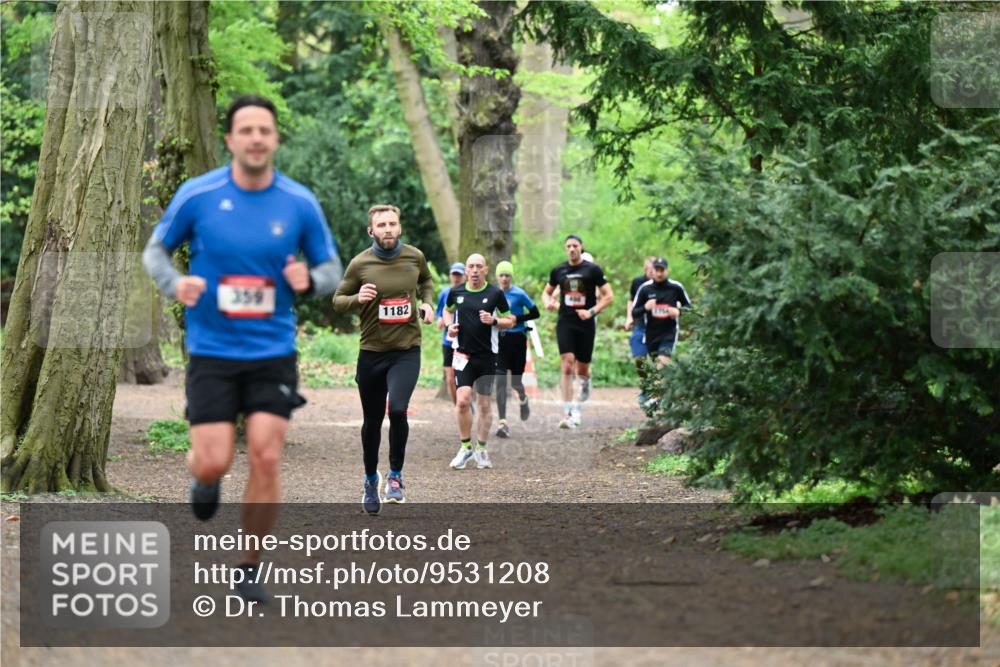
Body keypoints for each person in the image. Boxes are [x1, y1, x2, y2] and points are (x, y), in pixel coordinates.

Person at [142, 95, 342, 603]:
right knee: (213, 460)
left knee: (266, 456)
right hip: (211, 349)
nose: (256, 138)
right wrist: (174, 283)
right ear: (230, 139)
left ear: (275, 140)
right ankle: (204, 480)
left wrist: (309, 278)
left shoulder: (298, 202)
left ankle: (249, 567)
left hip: (271, 349)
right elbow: (156, 249)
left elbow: (332, 271)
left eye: (265, 130)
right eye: (246, 130)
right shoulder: (198, 193)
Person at [333, 204, 435, 514]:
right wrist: (356, 299)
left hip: (406, 350)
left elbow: (426, 282)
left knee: (400, 410)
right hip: (372, 353)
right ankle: (369, 478)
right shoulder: (359, 264)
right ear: (371, 231)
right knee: (372, 422)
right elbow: (338, 301)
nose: (388, 229)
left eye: (392, 223)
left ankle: (396, 476)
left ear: (399, 228)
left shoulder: (414, 257)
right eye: (382, 225)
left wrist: (428, 304)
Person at [444, 254, 515, 469]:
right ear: (466, 270)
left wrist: (494, 320)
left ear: (485, 270)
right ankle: (466, 447)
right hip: (462, 356)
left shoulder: (495, 293)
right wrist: (450, 326)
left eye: (478, 267)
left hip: (486, 357)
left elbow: (510, 321)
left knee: (484, 404)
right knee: (463, 400)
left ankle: (481, 449)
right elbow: (447, 313)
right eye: (471, 266)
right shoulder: (456, 292)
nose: (474, 270)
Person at [542, 235, 613, 429]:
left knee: (582, 370)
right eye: (568, 246)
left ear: (581, 247)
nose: (572, 249)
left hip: (586, 324)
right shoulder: (559, 270)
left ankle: (585, 383)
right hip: (565, 321)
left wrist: (591, 312)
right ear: (565, 249)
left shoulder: (592, 270)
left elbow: (609, 296)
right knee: (567, 364)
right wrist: (548, 302)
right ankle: (568, 412)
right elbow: (546, 292)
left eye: (575, 246)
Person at [493, 260, 540, 438]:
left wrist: (517, 318)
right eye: (501, 275)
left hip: (517, 341)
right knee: (500, 380)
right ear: (497, 277)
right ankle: (502, 422)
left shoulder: (519, 294)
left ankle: (523, 398)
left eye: (507, 275)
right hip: (500, 341)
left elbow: (535, 312)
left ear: (511, 277)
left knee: (515, 382)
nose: (504, 278)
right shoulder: (493, 294)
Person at [632, 257, 691, 370]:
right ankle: (664, 386)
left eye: (662, 270)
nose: (659, 274)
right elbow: (634, 313)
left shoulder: (676, 287)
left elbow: (689, 308)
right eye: (656, 270)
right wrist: (645, 307)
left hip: (669, 333)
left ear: (667, 271)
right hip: (651, 334)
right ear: (652, 270)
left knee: (661, 366)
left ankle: (659, 385)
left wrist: (678, 311)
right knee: (657, 371)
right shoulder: (645, 289)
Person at [626, 257, 656, 404]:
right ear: (645, 269)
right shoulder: (638, 282)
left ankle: (658, 392)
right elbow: (631, 300)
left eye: (655, 268)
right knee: (639, 357)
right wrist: (628, 318)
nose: (652, 271)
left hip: (659, 326)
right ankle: (646, 386)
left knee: (659, 360)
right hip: (640, 323)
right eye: (650, 269)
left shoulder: (665, 285)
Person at [436, 262, 467, 406]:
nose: (456, 278)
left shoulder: (469, 293)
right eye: (454, 275)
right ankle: (458, 408)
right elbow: (440, 313)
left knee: (462, 376)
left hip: (465, 341)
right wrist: (440, 320)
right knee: (450, 377)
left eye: (459, 275)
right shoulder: (444, 293)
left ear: (464, 276)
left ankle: (465, 403)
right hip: (448, 341)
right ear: (450, 276)